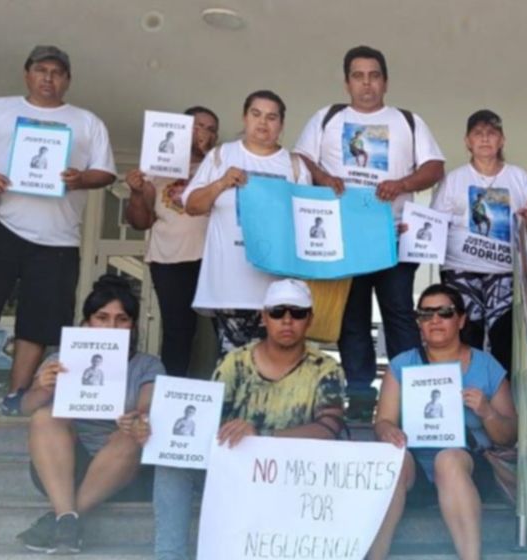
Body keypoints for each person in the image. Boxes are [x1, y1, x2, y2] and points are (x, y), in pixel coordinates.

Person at [138, 279, 347, 560]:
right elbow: (207, 421)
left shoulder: (325, 368)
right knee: (171, 463)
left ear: (310, 319)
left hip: (291, 484)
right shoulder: (235, 362)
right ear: (264, 318)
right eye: (278, 312)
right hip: (233, 479)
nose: (287, 320)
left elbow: (329, 429)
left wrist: (261, 433)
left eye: (297, 313)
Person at [0, 45, 116, 416]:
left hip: (58, 235)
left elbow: (105, 171)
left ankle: (17, 394)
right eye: (41, 70)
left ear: (68, 79)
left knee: (39, 320)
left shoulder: (86, 121)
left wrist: (81, 178)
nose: (48, 78)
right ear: (27, 74)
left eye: (57, 72)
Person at [295, 45, 446, 421]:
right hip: (344, 238)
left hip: (394, 235)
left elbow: (435, 167)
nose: (367, 83)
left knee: (398, 313)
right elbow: (301, 160)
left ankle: (410, 393)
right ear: (347, 82)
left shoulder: (407, 121)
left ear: (386, 81)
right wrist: (324, 178)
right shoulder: (327, 118)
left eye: (374, 75)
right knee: (352, 316)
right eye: (359, 76)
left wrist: (403, 182)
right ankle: (361, 395)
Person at [349, 285, 517, 560]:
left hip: (465, 467)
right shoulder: (402, 364)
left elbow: (509, 435)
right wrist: (389, 432)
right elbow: (382, 421)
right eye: (426, 314)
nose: (435, 320)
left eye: (445, 312)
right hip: (416, 469)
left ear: (461, 319)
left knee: (448, 458)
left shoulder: (486, 366)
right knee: (392, 461)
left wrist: (486, 411)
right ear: (418, 323)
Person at [14, 275, 164, 554]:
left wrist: (134, 418)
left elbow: (147, 409)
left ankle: (64, 518)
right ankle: (68, 517)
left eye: (122, 319)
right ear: (87, 322)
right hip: (63, 464)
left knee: (131, 435)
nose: (111, 326)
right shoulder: (61, 359)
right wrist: (43, 388)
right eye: (102, 317)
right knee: (44, 416)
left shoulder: (147, 365)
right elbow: (26, 408)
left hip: (119, 468)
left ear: (133, 326)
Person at [185, 91, 310, 357]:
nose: (263, 123)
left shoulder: (294, 165)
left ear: (281, 124)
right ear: (244, 117)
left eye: (271, 117)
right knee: (234, 375)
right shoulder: (221, 156)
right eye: (256, 114)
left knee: (277, 374)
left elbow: (309, 223)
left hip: (279, 293)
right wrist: (221, 183)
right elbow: (192, 206)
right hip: (228, 290)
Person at [431, 109, 527, 371]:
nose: (485, 139)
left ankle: (500, 401)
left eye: (491, 133)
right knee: (467, 336)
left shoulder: (520, 178)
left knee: (503, 339)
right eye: (478, 133)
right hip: (460, 270)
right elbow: (434, 224)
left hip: (504, 272)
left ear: (502, 140)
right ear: (467, 141)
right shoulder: (453, 180)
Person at [124, 106, 220, 377]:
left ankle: (226, 398)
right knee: (178, 332)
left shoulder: (218, 167)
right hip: (168, 260)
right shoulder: (155, 170)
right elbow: (140, 222)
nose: (205, 133)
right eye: (198, 126)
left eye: (211, 129)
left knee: (223, 331)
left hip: (213, 260)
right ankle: (171, 396)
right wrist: (136, 191)